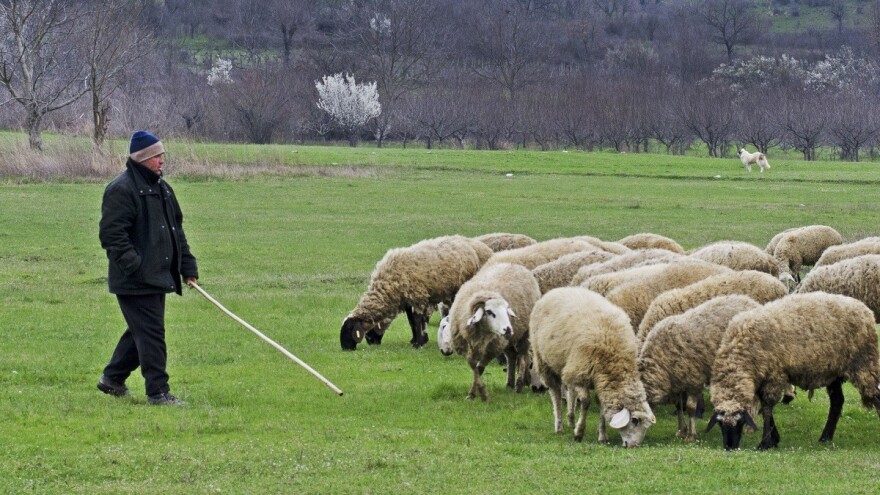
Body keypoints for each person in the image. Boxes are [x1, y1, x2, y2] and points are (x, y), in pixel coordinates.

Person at [97, 130, 198, 406]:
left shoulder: (163, 189)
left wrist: (187, 267)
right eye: (157, 157)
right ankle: (158, 392)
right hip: (134, 279)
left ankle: (112, 378)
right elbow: (112, 236)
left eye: (162, 156)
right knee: (152, 333)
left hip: (158, 274)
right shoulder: (121, 189)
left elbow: (176, 231)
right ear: (143, 159)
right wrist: (135, 265)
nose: (162, 161)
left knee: (141, 330)